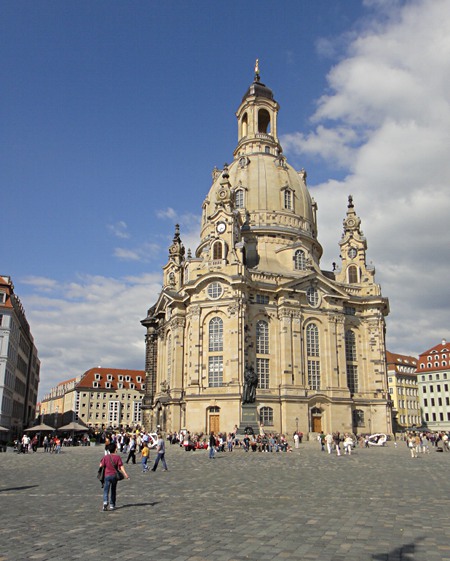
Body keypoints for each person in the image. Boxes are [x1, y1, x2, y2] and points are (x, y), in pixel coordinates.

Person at [99, 442, 129, 511]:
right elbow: (121, 467)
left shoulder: (105, 457)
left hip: (107, 475)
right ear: (115, 449)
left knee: (106, 490)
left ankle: (105, 502)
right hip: (114, 475)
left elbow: (101, 465)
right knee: (113, 490)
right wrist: (125, 474)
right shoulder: (117, 457)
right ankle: (112, 504)